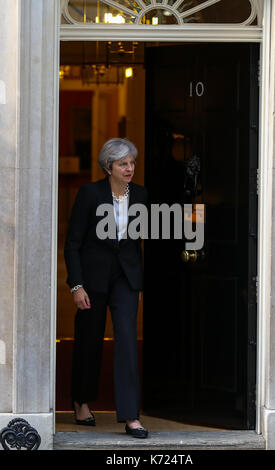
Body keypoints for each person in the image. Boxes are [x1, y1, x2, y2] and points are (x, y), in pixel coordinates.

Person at [64, 138, 149, 438]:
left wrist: (137, 281)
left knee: (126, 340)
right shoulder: (89, 194)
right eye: (123, 164)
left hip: (125, 279)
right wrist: (77, 285)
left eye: (132, 163)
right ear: (108, 167)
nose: (130, 168)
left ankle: (130, 416)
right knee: (90, 340)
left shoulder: (140, 195)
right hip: (91, 279)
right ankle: (81, 401)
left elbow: (138, 241)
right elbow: (72, 243)